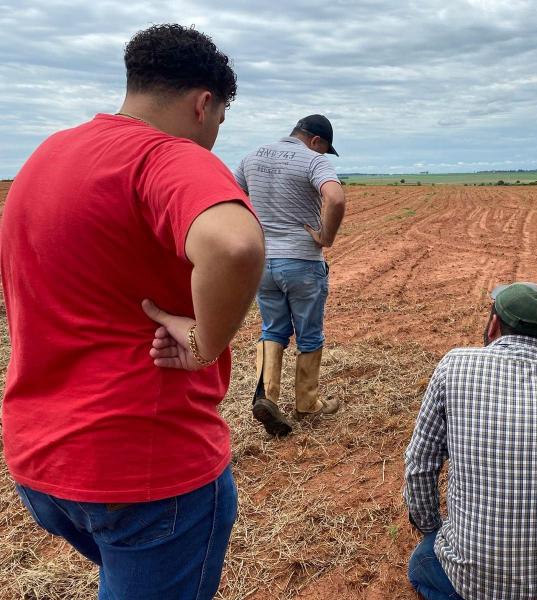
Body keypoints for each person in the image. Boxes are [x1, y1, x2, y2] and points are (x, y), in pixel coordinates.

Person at [0, 24, 265, 599]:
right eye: (220, 121)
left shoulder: (45, 157)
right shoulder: (167, 157)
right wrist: (207, 343)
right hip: (146, 471)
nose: (215, 137)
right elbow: (234, 245)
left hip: (41, 463)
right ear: (204, 104)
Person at [404, 283, 537, 600]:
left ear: (494, 323)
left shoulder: (455, 365)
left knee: (420, 564)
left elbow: (420, 465)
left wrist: (430, 527)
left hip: (478, 578)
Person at [234, 114, 346, 437]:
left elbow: (231, 196)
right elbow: (335, 198)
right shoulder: (312, 161)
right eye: (324, 149)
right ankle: (307, 403)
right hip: (302, 261)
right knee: (309, 333)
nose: (323, 154)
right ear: (315, 141)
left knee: (272, 329)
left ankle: (267, 396)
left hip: (263, 263)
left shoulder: (252, 157)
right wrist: (326, 237)